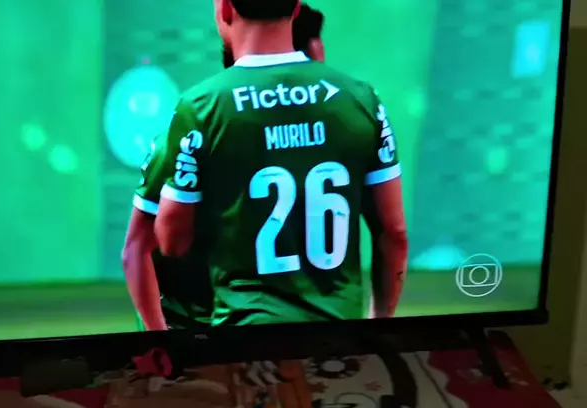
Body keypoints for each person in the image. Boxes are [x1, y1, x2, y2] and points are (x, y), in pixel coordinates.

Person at [150, 0, 408, 326]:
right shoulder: (362, 99)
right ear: (297, 8)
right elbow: (394, 232)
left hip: (246, 336)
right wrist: (379, 320)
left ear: (225, 8)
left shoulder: (201, 107)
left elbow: (172, 242)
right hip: (339, 336)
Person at [122, 3, 330, 331]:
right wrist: (159, 340)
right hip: (195, 330)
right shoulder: (191, 132)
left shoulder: (318, 142)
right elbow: (140, 246)